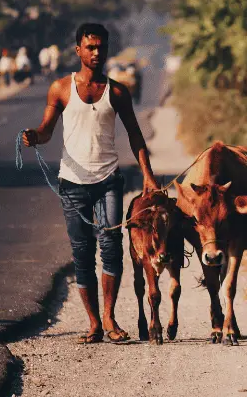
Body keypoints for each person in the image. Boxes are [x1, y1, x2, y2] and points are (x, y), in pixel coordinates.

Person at [21, 23, 160, 344]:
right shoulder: (61, 89)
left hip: (108, 180)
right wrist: (34, 138)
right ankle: (94, 323)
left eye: (101, 47)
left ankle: (110, 318)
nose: (97, 53)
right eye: (91, 47)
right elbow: (46, 130)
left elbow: (136, 135)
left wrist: (149, 175)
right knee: (82, 253)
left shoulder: (118, 92)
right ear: (78, 50)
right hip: (72, 184)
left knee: (111, 249)